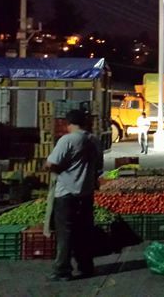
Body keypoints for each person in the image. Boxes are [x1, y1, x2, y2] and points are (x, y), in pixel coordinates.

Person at [45, 110, 101, 281]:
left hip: (66, 194)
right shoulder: (94, 140)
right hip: (86, 193)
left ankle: (62, 270)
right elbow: (98, 165)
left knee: (65, 234)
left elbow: (51, 164)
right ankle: (86, 266)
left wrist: (54, 168)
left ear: (68, 123)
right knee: (84, 232)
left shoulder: (68, 140)